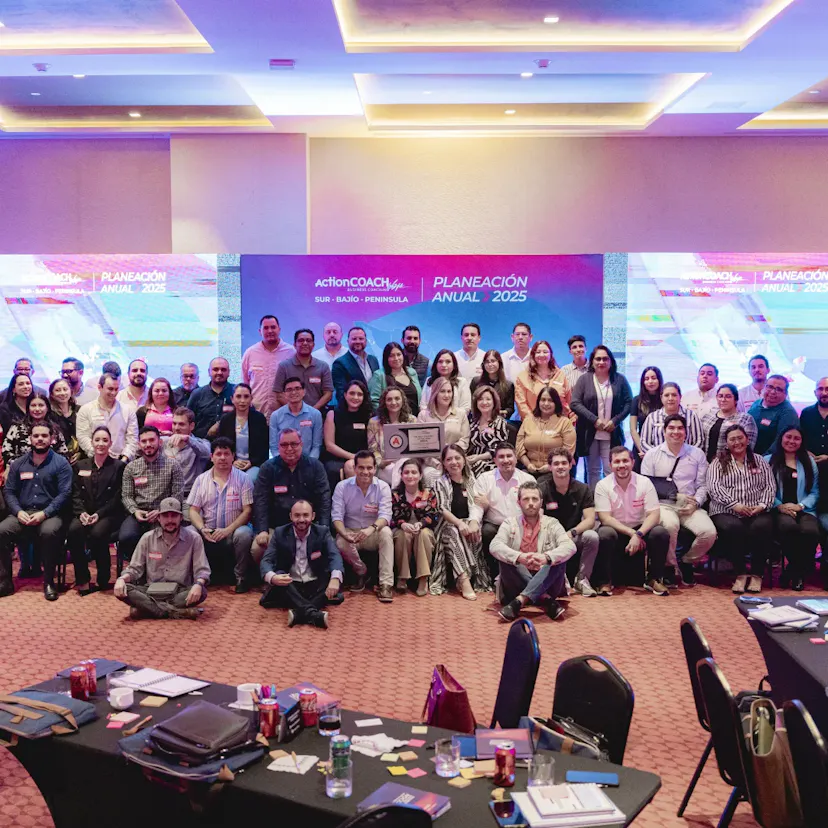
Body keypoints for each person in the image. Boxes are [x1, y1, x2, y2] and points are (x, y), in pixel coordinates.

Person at [640, 414, 717, 585]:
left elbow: (703, 485)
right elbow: (647, 486)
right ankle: (669, 566)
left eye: (680, 428)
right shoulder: (652, 455)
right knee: (670, 525)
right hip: (663, 505)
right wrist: (674, 497)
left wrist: (696, 503)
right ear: (664, 431)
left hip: (690, 505)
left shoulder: (697, 454)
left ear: (686, 432)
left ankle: (686, 561)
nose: (676, 432)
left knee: (709, 533)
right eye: (671, 428)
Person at [0, 424, 73, 600]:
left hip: (50, 514)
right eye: (36, 436)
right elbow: (9, 491)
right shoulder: (18, 463)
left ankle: (49, 582)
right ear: (30, 439)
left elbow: (65, 494)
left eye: (44, 436)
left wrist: (45, 513)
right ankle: (5, 581)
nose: (40, 439)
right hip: (23, 513)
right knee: (1, 531)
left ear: (52, 439)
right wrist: (18, 511)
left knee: (49, 532)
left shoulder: (61, 463)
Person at [491, 481, 576, 622]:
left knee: (557, 559)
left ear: (541, 502)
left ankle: (519, 601)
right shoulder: (509, 523)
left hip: (547, 580)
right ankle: (545, 599)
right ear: (519, 502)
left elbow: (570, 546)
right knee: (507, 557)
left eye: (535, 499)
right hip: (516, 582)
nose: (531, 503)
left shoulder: (552, 523)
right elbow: (495, 545)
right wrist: (519, 556)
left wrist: (546, 557)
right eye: (526, 499)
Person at [114, 497, 210, 621]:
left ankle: (147, 610)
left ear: (181, 517)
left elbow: (202, 570)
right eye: (165, 516)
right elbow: (134, 569)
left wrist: (198, 584)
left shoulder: (194, 538)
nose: (170, 520)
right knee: (124, 589)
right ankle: (178, 612)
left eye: (174, 516)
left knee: (202, 591)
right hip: (150, 591)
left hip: (179, 592)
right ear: (158, 518)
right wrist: (121, 579)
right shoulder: (147, 538)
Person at [706, 424, 776, 593]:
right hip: (725, 510)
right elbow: (714, 487)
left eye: (740, 438)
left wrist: (761, 506)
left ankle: (757, 574)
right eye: (732, 439)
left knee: (762, 526)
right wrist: (735, 505)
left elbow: (770, 486)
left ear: (747, 439)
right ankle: (741, 574)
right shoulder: (718, 462)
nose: (737, 442)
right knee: (734, 527)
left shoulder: (759, 460)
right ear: (727, 443)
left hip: (756, 510)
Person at [594, 446, 670, 596]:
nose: (621, 465)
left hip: (640, 529)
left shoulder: (645, 482)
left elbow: (654, 514)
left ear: (633, 462)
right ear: (610, 465)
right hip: (616, 529)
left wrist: (639, 534)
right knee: (604, 533)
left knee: (660, 533)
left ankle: (654, 579)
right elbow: (605, 518)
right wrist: (632, 533)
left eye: (625, 461)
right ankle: (604, 581)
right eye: (617, 462)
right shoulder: (602, 485)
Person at [259, 499, 343, 629]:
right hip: (290, 584)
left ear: (313, 516)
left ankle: (299, 614)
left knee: (330, 580)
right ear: (291, 516)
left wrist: (335, 579)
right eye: (297, 515)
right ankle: (315, 615)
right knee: (281, 576)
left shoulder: (322, 532)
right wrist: (273, 577)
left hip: (314, 583)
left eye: (305, 515)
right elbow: (266, 561)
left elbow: (335, 556)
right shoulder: (280, 533)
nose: (301, 519)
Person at [252, 428, 331, 563]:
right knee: (257, 548)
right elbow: (261, 501)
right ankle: (268, 575)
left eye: (294, 444)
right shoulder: (267, 468)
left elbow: (324, 499)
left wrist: (323, 529)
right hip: (277, 527)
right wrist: (262, 530)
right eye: (284, 445)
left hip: (308, 526)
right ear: (278, 447)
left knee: (328, 547)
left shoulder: (316, 466)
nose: (289, 449)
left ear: (301, 444)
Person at [187, 437, 255, 593]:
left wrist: (227, 530)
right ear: (212, 457)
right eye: (218, 454)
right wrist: (202, 528)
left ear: (233, 456)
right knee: (190, 532)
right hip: (208, 532)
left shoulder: (244, 479)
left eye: (226, 454)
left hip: (232, 532)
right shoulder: (201, 480)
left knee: (244, 533)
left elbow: (248, 511)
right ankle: (198, 577)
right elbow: (193, 510)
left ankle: (241, 577)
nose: (223, 458)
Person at [67, 426, 124, 595]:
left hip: (108, 514)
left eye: (105, 440)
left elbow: (117, 498)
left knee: (98, 533)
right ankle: (82, 578)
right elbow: (75, 493)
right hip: (84, 513)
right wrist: (81, 513)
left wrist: (99, 514)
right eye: (97, 440)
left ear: (111, 443)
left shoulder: (119, 466)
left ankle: (103, 577)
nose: (101, 443)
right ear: (91, 442)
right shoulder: (80, 465)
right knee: (74, 530)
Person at [331, 450, 394, 602]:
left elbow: (386, 515)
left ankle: (386, 584)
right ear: (354, 468)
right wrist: (344, 533)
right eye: (361, 468)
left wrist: (370, 529)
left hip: (372, 531)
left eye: (369, 468)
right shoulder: (342, 487)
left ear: (375, 468)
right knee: (340, 541)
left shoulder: (383, 487)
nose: (365, 472)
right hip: (350, 532)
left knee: (386, 533)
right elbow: (336, 517)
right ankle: (362, 572)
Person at [430, 444, 491, 598]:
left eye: (457, 458)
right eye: (449, 459)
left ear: (464, 460)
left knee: (473, 532)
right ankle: (464, 579)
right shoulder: (440, 482)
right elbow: (442, 509)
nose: (454, 462)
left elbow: (477, 506)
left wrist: (473, 522)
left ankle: (469, 576)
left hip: (468, 522)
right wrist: (459, 523)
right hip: (447, 525)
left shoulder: (472, 480)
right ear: (444, 463)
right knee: (454, 533)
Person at [538, 448, 601, 596]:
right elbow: (539, 520)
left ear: (571, 464)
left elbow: (590, 520)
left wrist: (572, 533)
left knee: (592, 536)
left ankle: (582, 580)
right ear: (550, 467)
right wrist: (557, 536)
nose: (560, 466)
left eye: (564, 463)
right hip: (551, 538)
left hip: (573, 536)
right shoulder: (542, 488)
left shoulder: (583, 488)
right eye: (556, 463)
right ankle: (560, 580)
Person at [119, 426, 185, 564]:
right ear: (139, 444)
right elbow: (126, 496)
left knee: (160, 540)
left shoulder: (173, 466)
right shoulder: (131, 467)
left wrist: (161, 511)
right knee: (126, 537)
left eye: (151, 440)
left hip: (165, 513)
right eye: (144, 441)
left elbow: (177, 497)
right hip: (139, 513)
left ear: (159, 442)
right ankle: (139, 569)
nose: (148, 444)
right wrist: (135, 511)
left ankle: (158, 570)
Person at [765, 427, 820, 592]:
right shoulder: (768, 461)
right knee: (789, 528)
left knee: (810, 531)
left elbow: (815, 491)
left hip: (804, 508)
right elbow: (764, 490)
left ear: (802, 442)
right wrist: (779, 505)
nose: (792, 441)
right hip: (779, 509)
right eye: (788, 437)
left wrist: (801, 506)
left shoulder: (809, 462)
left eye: (797, 438)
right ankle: (798, 574)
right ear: (781, 438)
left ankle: (791, 571)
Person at [571, 345, 633, 488]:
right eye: (598, 359)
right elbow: (575, 403)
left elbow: (629, 403)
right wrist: (594, 420)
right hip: (590, 433)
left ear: (611, 361)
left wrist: (615, 421)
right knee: (593, 471)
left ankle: (613, 498)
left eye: (605, 359)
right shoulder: (584, 379)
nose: (601, 362)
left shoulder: (620, 379)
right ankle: (595, 499)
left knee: (610, 469)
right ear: (592, 361)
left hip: (612, 433)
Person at [470, 442, 533, 578]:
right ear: (495, 460)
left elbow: (534, 507)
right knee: (486, 532)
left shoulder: (527, 479)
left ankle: (520, 576)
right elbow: (477, 505)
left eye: (509, 456)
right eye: (501, 457)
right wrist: (474, 521)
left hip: (520, 524)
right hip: (494, 525)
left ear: (516, 458)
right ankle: (495, 576)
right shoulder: (485, 479)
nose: (505, 460)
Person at [390, 458, 439, 596]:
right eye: (406, 472)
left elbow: (433, 516)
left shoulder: (428, 493)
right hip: (402, 529)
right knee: (402, 535)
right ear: (401, 475)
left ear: (420, 475)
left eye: (414, 472)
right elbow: (392, 515)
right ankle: (402, 577)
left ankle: (423, 579)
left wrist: (421, 523)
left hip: (423, 529)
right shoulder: (395, 494)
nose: (410, 476)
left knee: (423, 534)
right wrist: (402, 524)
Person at [241, 314, 296, 419]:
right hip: (256, 414)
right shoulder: (250, 353)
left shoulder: (291, 352)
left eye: (273, 327)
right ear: (260, 331)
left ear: (279, 329)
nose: (270, 331)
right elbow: (245, 383)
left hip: (285, 415)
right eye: (266, 328)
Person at [76, 373, 139, 462]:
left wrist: (124, 459)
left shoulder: (128, 410)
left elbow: (133, 438)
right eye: (110, 389)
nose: (114, 393)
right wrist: (98, 455)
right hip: (94, 460)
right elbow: (83, 436)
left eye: (116, 389)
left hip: (121, 461)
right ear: (99, 387)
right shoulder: (86, 410)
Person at [799, 377, 828, 568]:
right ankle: (806, 561)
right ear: (815, 392)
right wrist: (806, 452)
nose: (824, 393)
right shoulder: (807, 413)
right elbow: (799, 439)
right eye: (821, 389)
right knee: (811, 516)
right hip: (810, 471)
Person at [323, 379, 371, 488]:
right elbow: (329, 445)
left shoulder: (369, 416)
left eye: (359, 394)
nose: (355, 397)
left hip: (364, 457)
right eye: (352, 393)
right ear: (345, 395)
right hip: (337, 458)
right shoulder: (332, 414)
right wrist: (353, 457)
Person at [516, 386, 576, 476]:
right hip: (528, 468)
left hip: (556, 470)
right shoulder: (528, 420)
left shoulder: (565, 423)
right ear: (538, 402)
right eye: (543, 400)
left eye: (550, 401)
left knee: (542, 483)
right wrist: (528, 465)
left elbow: (568, 452)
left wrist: (550, 466)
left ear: (556, 403)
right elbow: (519, 448)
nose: (546, 403)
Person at [2, 393, 68, 470]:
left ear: (47, 408)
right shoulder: (17, 428)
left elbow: (63, 454)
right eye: (33, 405)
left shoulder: (55, 429)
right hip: (21, 471)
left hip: (51, 472)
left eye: (41, 405)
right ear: (28, 408)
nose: (37, 409)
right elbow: (6, 452)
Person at [273, 329, 333, 413]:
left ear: (313, 345)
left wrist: (312, 411)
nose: (305, 343)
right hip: (290, 416)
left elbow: (328, 394)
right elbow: (279, 394)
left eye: (308, 340)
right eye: (301, 340)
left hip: (316, 416)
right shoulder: (284, 366)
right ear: (294, 345)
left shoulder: (323, 366)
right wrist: (296, 411)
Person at [218, 383, 269, 482]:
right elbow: (221, 445)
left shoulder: (259, 419)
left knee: (248, 479)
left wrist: (251, 462)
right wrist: (232, 461)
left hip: (254, 464)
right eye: (238, 396)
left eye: (246, 397)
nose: (242, 401)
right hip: (231, 463)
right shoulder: (225, 420)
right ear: (232, 399)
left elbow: (264, 447)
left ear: (251, 399)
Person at [417, 378, 471, 467]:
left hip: (456, 461)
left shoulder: (461, 414)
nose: (446, 395)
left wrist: (449, 457)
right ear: (435, 393)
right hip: (431, 464)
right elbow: (420, 446)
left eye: (449, 391)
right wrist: (436, 464)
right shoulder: (423, 415)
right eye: (442, 391)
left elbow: (464, 441)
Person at [368, 387, 416, 486]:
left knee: (406, 471)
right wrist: (380, 462)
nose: (393, 402)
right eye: (389, 399)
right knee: (396, 473)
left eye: (397, 398)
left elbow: (415, 446)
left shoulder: (412, 420)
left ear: (403, 400)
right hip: (385, 465)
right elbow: (373, 449)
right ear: (384, 402)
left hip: (407, 464)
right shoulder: (374, 422)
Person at [515, 340, 571, 421]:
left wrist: (565, 419)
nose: (542, 355)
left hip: (559, 423)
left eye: (545, 352)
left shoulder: (560, 374)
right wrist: (533, 422)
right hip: (533, 424)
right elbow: (521, 404)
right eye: (538, 352)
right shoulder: (522, 377)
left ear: (551, 354)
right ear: (533, 355)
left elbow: (568, 400)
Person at [639, 382, 704, 452]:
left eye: (674, 395)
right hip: (658, 458)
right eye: (666, 395)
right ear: (661, 398)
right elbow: (644, 443)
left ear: (680, 397)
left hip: (687, 457)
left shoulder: (691, 416)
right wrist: (658, 455)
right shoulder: (652, 417)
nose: (670, 398)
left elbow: (699, 441)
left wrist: (685, 455)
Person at [162, 407, 211, 499]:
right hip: (167, 495)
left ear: (191, 426)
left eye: (181, 424)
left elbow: (207, 454)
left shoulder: (201, 443)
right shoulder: (164, 442)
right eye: (174, 423)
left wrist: (188, 439)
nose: (176, 428)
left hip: (191, 495)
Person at [701, 383, 757, 462]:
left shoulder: (746, 419)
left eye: (728, 396)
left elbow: (748, 448)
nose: (723, 399)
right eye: (720, 396)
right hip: (705, 463)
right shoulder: (707, 417)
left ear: (736, 400)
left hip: (731, 464)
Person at [271, 377, 323, 460]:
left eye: (297, 388)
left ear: (304, 392)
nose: (293, 392)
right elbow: (274, 447)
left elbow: (316, 446)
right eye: (289, 390)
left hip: (308, 461)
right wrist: (282, 463)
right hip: (283, 462)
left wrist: (309, 463)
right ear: (284, 394)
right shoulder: (275, 416)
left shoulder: (315, 414)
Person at [748, 374, 800, 455]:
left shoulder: (788, 413)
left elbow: (781, 442)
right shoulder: (756, 403)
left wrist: (762, 459)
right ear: (764, 387)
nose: (772, 392)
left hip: (768, 459)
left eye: (778, 389)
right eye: (770, 387)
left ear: (785, 394)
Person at [467, 385, 510, 477]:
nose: (484, 402)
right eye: (480, 399)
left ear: (494, 402)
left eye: (488, 399)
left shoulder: (499, 422)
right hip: (472, 460)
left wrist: (478, 458)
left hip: (492, 463)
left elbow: (499, 449)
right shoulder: (473, 422)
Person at [187, 357, 235, 438]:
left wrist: (220, 423)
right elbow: (187, 420)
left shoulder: (237, 393)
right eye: (215, 369)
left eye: (223, 369)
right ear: (209, 372)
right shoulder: (197, 394)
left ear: (229, 372)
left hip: (230, 443)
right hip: (201, 443)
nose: (219, 372)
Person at [368, 341, 421, 415]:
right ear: (386, 358)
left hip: (414, 418)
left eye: (399, 354)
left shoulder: (412, 372)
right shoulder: (379, 375)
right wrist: (385, 418)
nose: (396, 358)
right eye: (391, 356)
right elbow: (374, 401)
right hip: (390, 419)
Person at [331, 327, 379, 401]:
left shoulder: (373, 360)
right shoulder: (339, 364)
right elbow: (341, 394)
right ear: (348, 341)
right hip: (354, 406)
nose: (358, 341)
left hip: (375, 405)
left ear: (366, 341)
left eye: (361, 338)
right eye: (354, 339)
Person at [629, 367, 663, 468]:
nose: (650, 381)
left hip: (661, 446)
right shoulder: (637, 400)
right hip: (640, 447)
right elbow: (633, 429)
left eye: (653, 378)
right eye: (646, 379)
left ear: (659, 380)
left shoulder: (665, 399)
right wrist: (642, 449)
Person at [470, 350, 515, 420]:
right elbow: (471, 403)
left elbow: (510, 409)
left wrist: (497, 413)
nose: (490, 364)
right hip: (478, 420)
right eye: (487, 362)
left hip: (499, 420)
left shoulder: (508, 385)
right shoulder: (476, 381)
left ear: (499, 363)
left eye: (493, 361)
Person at [48, 378, 81, 464]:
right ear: (52, 394)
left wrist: (80, 453)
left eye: (65, 389)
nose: (62, 393)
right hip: (56, 459)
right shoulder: (48, 414)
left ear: (71, 391)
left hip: (80, 458)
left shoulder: (80, 410)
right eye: (58, 390)